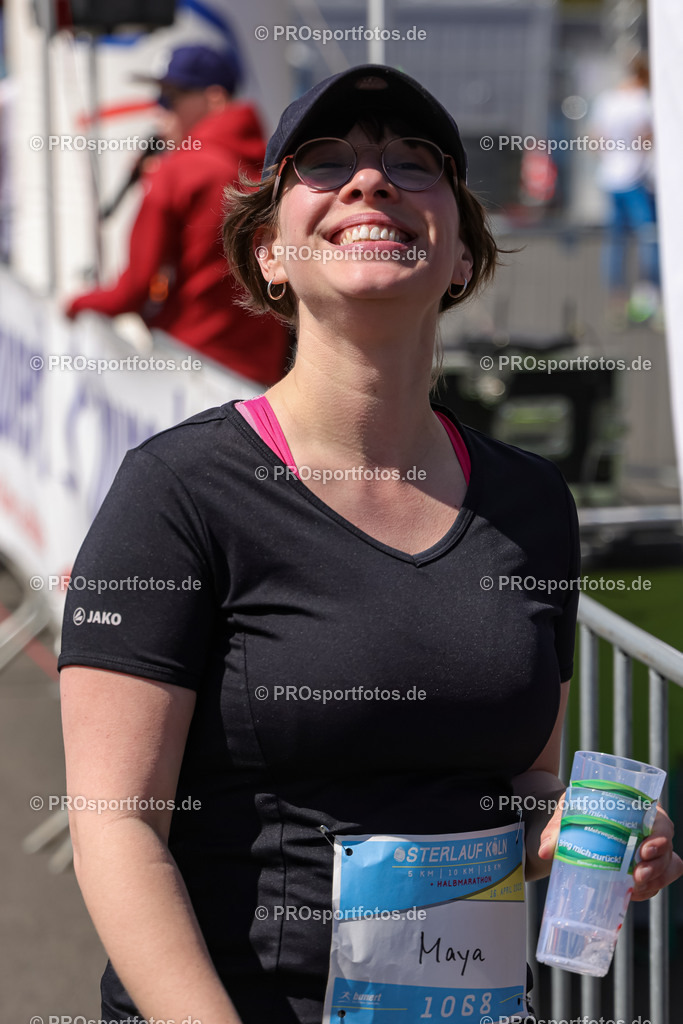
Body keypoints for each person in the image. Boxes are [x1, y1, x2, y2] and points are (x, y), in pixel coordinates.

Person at [58, 65, 682, 1024]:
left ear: (463, 257)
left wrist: (575, 841)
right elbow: (117, 831)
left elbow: (518, 793)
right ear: (269, 252)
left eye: (411, 162)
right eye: (327, 162)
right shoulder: (177, 489)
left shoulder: (531, 502)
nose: (370, 181)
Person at [64, 44, 290, 386]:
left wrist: (73, 305)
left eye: (171, 96)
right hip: (264, 378)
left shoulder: (181, 170)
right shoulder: (275, 170)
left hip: (190, 373)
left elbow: (134, 290)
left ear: (214, 99)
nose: (159, 109)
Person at [590, 55, 660, 326]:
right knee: (649, 237)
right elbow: (646, 138)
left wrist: (613, 160)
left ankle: (616, 302)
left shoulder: (607, 100)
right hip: (637, 178)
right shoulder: (644, 101)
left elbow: (596, 139)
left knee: (615, 242)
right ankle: (649, 298)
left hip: (611, 178)